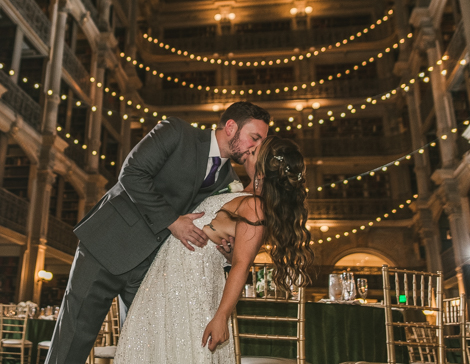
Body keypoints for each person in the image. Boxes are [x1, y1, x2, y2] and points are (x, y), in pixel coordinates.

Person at [44, 101, 271, 364]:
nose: (256, 147)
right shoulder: (177, 131)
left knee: (143, 348)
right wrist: (172, 221)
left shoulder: (228, 180)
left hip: (153, 270)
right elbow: (132, 174)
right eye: (254, 138)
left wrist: (226, 249)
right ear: (231, 127)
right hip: (108, 246)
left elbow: (214, 224)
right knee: (74, 338)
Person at [113, 136, 314, 364]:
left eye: (255, 150)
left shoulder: (256, 208)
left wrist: (221, 317)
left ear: (263, 168)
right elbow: (227, 251)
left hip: (191, 289)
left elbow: (242, 264)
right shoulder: (242, 194)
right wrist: (226, 254)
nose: (248, 150)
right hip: (169, 281)